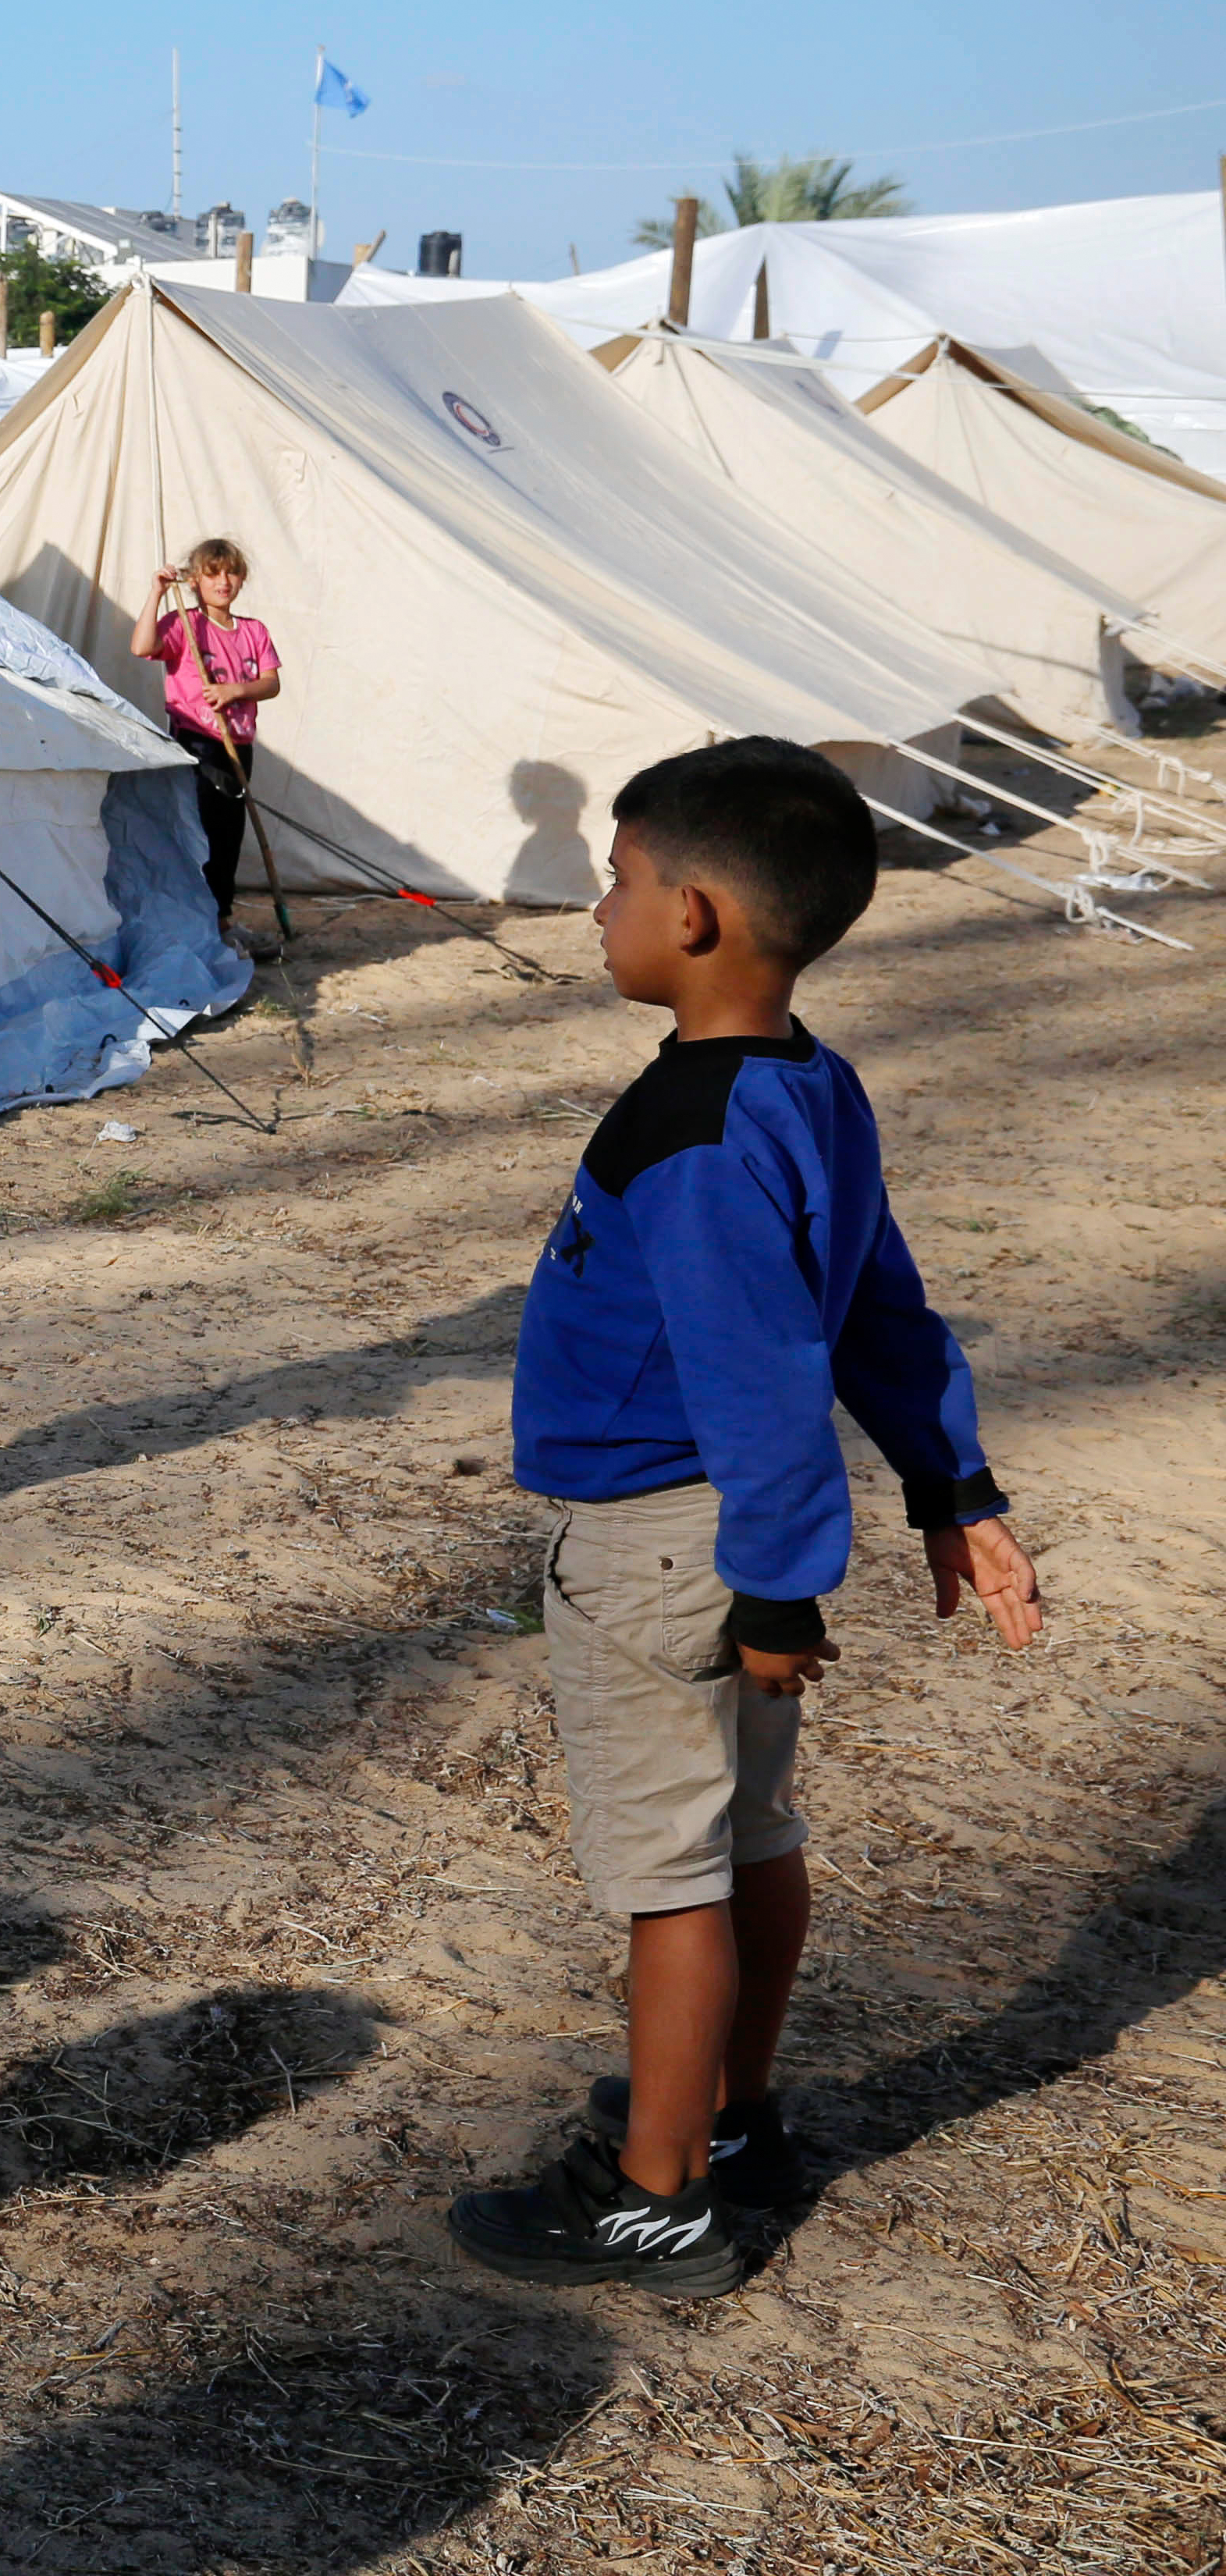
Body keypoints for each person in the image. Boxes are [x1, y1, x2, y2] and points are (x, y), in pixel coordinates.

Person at [450, 737, 1044, 2298]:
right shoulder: (810, 1086)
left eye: (621, 880)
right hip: (724, 1548)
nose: (600, 907)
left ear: (696, 916)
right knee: (749, 1834)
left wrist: (781, 1590)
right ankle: (730, 2116)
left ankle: (655, 2196)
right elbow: (882, 1310)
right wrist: (950, 1483)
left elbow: (764, 1378)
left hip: (665, 1546)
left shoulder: (699, 1138)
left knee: (671, 1878)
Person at [126, 538, 278, 926]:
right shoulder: (184, 624)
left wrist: (235, 690)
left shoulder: (253, 630)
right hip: (197, 742)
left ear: (241, 579)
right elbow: (142, 646)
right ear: (195, 581)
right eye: (212, 574)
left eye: (231, 573)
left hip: (238, 743)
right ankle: (197, 915)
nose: (223, 581)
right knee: (201, 831)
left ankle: (221, 916)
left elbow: (270, 683)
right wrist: (156, 593)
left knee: (229, 833)